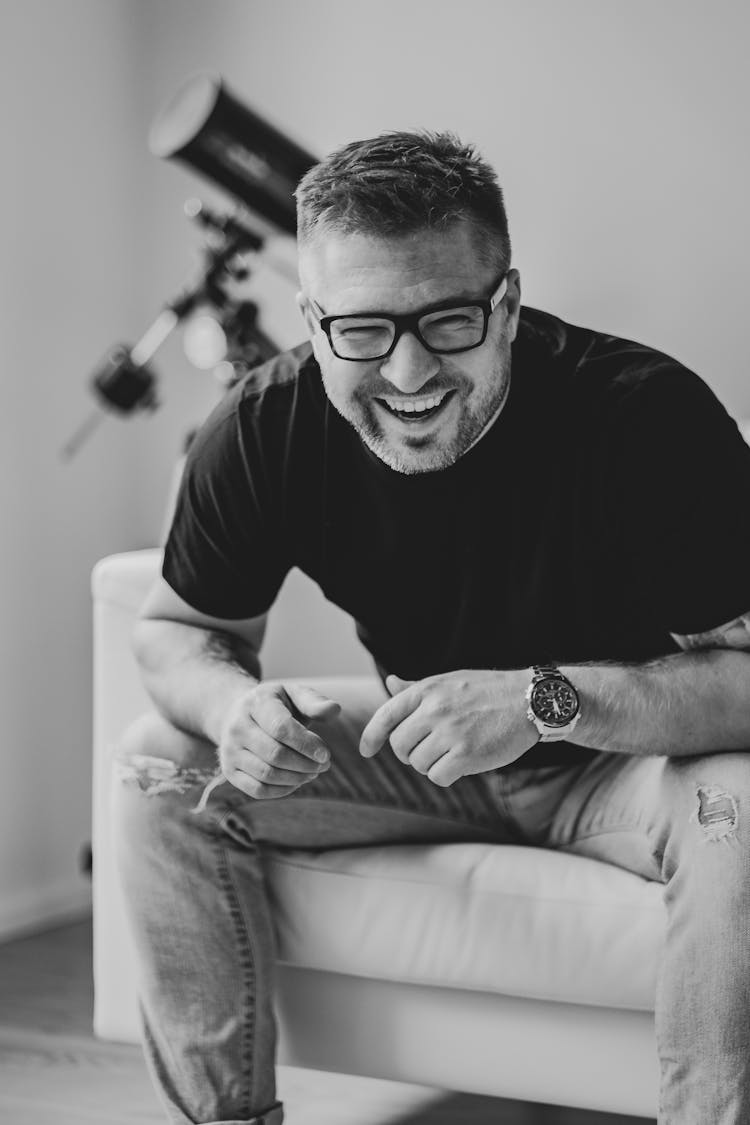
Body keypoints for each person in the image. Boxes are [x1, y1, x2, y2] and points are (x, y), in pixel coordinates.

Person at [115, 130, 750, 1125]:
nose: (407, 370)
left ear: (506, 304)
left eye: (449, 321)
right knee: (162, 763)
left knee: (740, 808)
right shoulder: (262, 428)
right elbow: (175, 630)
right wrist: (233, 706)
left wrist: (544, 700)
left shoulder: (645, 419)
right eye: (362, 330)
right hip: (419, 751)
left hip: (628, 760)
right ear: (312, 320)